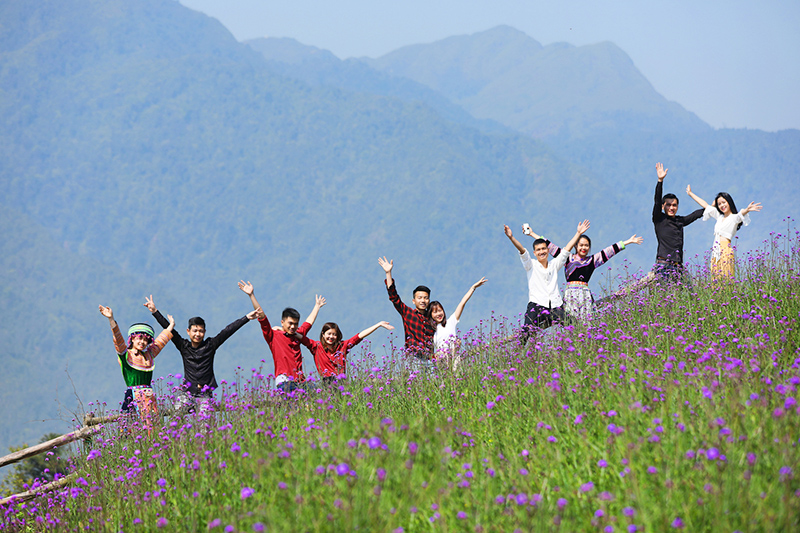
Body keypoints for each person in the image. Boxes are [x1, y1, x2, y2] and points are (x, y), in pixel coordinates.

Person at [143, 294, 260, 417]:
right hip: (187, 393)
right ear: (188, 332)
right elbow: (170, 330)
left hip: (205, 394)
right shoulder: (183, 346)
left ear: (204, 332)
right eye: (195, 331)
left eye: (201, 331)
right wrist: (155, 311)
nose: (197, 334)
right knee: (176, 416)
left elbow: (228, 330)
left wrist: (246, 318)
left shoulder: (211, 345)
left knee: (204, 424)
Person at [523, 226, 643, 321]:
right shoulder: (567, 258)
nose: (583, 248)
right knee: (570, 322)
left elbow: (610, 250)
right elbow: (550, 246)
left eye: (586, 245)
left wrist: (628, 242)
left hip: (585, 295)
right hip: (570, 296)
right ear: (576, 246)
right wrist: (532, 234)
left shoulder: (592, 260)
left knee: (587, 322)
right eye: (581, 245)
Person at [504, 221, 589, 341]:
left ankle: (583, 345)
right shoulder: (531, 265)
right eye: (538, 250)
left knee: (574, 325)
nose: (541, 252)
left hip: (555, 307)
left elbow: (566, 250)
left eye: (544, 249)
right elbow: (522, 251)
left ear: (548, 251)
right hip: (537, 305)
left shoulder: (554, 265)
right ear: (534, 253)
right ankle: (516, 357)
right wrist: (511, 238)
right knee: (525, 333)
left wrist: (578, 233)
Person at [98, 304, 174, 433]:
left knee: (152, 432)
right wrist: (111, 319)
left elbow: (161, 340)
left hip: (149, 399)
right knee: (130, 432)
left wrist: (171, 325)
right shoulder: (125, 354)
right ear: (132, 338)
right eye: (139, 338)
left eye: (145, 340)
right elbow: (118, 339)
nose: (142, 342)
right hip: (132, 398)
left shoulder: (149, 354)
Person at [238, 281, 324, 393]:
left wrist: (317, 306)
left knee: (319, 395)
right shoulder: (273, 336)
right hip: (285, 380)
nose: (293, 326)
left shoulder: (297, 335)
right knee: (292, 406)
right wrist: (251, 295)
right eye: (290, 323)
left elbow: (308, 323)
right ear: (282, 322)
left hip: (301, 381)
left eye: (295, 324)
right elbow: (262, 317)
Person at [685, 185, 762, 279]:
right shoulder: (719, 217)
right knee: (715, 279)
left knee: (726, 278)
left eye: (724, 202)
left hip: (725, 249)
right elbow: (705, 205)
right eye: (719, 204)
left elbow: (740, 214)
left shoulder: (734, 218)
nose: (722, 205)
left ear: (729, 202)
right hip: (715, 251)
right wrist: (690, 193)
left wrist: (747, 209)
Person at [377, 256, 436, 367]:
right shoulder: (408, 314)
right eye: (420, 298)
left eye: (426, 298)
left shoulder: (432, 318)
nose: (423, 300)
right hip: (414, 359)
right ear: (414, 301)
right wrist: (388, 273)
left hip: (430, 359)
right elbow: (394, 297)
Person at [652, 162, 704, 282]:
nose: (671, 208)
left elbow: (696, 214)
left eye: (674, 205)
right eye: (668, 205)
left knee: (686, 297)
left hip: (678, 266)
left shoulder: (680, 221)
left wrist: (711, 208)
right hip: (664, 265)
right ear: (663, 206)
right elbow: (656, 201)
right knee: (664, 297)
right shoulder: (659, 219)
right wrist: (660, 181)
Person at [301, 321, 394, 385]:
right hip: (326, 382)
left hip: (341, 381)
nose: (331, 337)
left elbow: (360, 336)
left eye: (334, 334)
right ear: (323, 334)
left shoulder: (342, 346)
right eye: (329, 334)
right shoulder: (316, 347)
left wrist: (378, 325)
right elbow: (301, 337)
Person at [428, 277, 487, 368]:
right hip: (441, 361)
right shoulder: (431, 330)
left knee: (457, 378)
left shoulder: (450, 322)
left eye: (440, 310)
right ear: (430, 315)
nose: (439, 314)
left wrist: (473, 288)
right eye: (435, 312)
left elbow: (462, 303)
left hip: (455, 357)